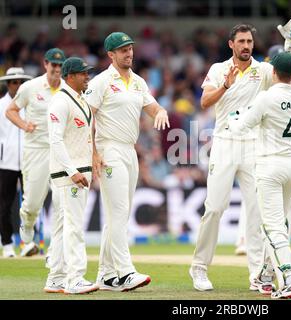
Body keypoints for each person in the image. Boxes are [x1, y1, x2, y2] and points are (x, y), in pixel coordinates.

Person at [189, 14, 291, 292]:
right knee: (214, 208)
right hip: (225, 142)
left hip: (255, 146)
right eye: (241, 41)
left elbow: (287, 75)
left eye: (250, 41)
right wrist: (225, 86)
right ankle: (200, 268)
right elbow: (204, 102)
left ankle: (257, 275)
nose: (246, 45)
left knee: (256, 213)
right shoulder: (219, 69)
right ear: (231, 44)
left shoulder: (264, 70)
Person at [85, 32, 169, 292]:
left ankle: (106, 275)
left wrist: (161, 111)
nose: (129, 53)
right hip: (108, 148)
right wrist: (94, 154)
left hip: (130, 151)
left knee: (117, 215)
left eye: (130, 48)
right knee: (119, 212)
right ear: (111, 55)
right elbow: (87, 118)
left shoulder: (138, 82)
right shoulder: (101, 82)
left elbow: (152, 107)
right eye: (123, 50)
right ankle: (125, 272)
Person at [229, 48, 291, 299]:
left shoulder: (266, 97)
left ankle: (288, 279)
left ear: (273, 72)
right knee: (281, 223)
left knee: (273, 226)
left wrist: (233, 116)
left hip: (269, 166)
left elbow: (240, 127)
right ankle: (266, 275)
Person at [5, 48, 66, 257]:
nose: (57, 69)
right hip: (36, 150)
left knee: (62, 201)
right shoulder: (30, 87)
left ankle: (56, 249)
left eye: (60, 65)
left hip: (61, 151)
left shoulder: (68, 89)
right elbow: (11, 110)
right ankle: (27, 224)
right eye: (53, 65)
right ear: (45, 64)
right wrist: (24, 125)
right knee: (32, 203)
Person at [46, 57, 97, 294]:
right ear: (70, 76)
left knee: (62, 226)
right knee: (74, 227)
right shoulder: (60, 101)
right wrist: (73, 171)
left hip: (75, 171)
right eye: (82, 73)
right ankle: (75, 278)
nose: (87, 76)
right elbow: (55, 140)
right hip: (69, 174)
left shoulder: (80, 99)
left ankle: (56, 277)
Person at [0, 68, 33, 258]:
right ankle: (7, 245)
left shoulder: (31, 105)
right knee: (5, 204)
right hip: (6, 162)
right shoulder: (1, 105)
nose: (17, 85)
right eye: (13, 82)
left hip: (29, 161)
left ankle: (28, 243)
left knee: (30, 204)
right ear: (7, 84)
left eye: (20, 82)